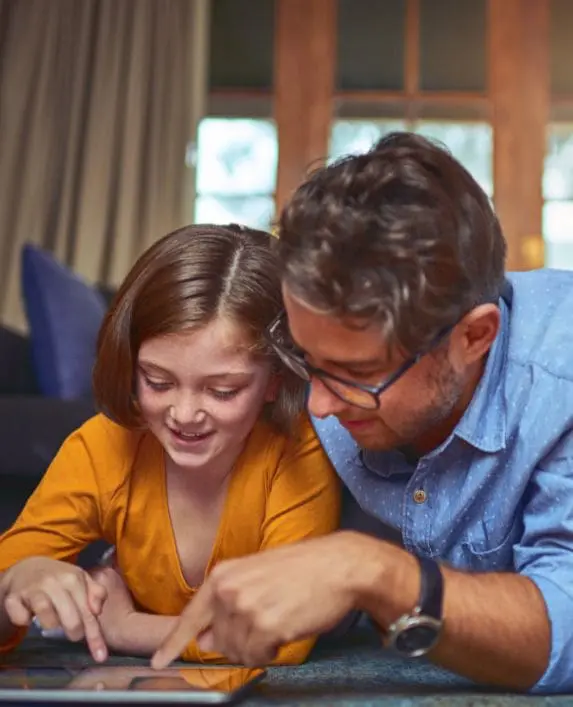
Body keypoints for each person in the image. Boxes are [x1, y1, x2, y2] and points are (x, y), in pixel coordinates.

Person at [151, 133, 573, 694]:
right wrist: (109, 575)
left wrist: (372, 571)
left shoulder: (559, 384)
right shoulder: (313, 361)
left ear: (474, 337)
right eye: (308, 360)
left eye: (357, 375)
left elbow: (566, 627)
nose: (320, 406)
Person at [0, 224, 340, 665]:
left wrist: (126, 627)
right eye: (158, 381)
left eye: (222, 391)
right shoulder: (102, 446)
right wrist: (14, 584)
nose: (183, 414)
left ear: (275, 381)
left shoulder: (299, 448)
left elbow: (282, 638)